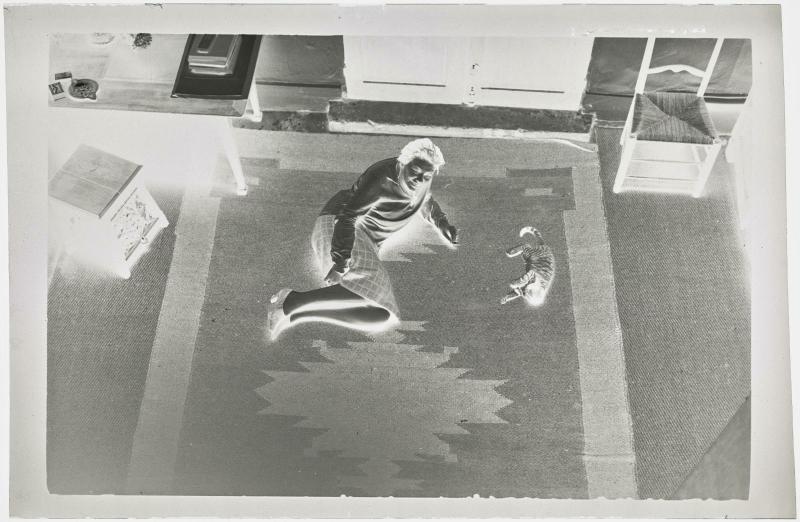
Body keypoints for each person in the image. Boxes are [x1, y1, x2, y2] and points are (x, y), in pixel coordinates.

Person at [268, 138, 459, 340]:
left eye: (427, 176)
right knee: (371, 286)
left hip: (367, 241)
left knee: (379, 315)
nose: (420, 179)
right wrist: (340, 265)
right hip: (339, 227)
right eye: (415, 171)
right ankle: (290, 301)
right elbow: (348, 217)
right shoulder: (380, 177)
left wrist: (442, 223)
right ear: (403, 163)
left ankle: (297, 311)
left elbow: (426, 199)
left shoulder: (420, 179)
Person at [500, 226, 555, 307]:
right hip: (542, 257)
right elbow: (531, 274)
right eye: (527, 292)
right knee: (519, 252)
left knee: (529, 260)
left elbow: (521, 292)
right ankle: (525, 247)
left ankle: (531, 239)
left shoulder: (533, 292)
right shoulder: (538, 282)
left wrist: (507, 298)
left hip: (539, 262)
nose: (525, 291)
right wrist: (517, 283)